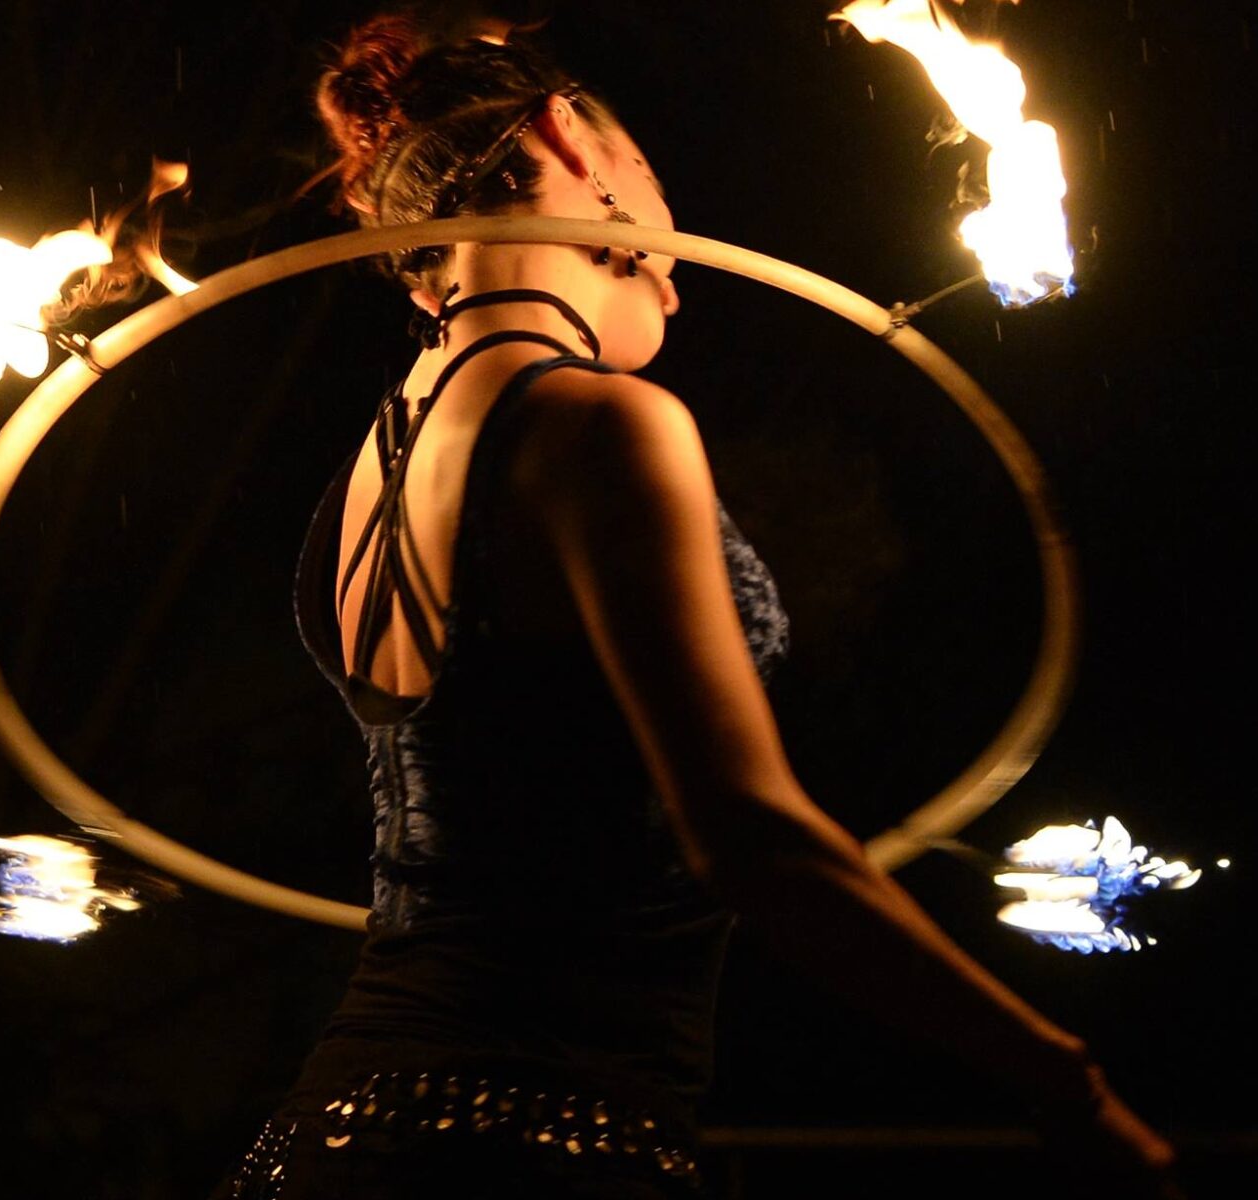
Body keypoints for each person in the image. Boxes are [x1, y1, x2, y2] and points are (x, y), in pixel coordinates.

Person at [221, 13, 1179, 1199]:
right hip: (523, 1147)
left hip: (332, 1136)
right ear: (566, 140)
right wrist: (1062, 1080)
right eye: (655, 191)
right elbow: (749, 838)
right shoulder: (599, 427)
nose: (678, 268)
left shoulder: (371, 468)